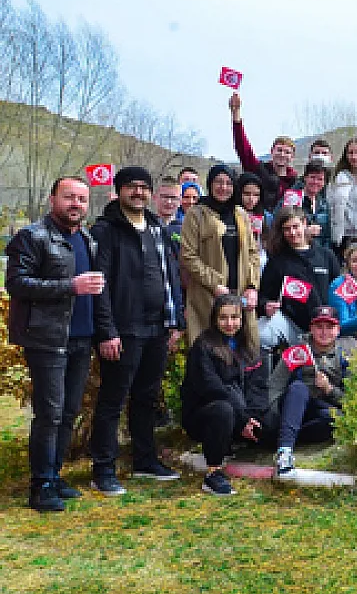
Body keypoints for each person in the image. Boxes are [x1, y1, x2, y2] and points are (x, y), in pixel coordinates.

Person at [6, 176, 104, 511]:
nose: (76, 204)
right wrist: (70, 286)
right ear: (52, 200)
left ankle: (55, 474)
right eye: (69, 197)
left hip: (81, 337)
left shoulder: (88, 239)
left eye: (82, 199)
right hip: (46, 338)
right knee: (49, 413)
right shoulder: (32, 236)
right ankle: (40, 485)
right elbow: (17, 284)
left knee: (68, 411)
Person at [89, 166, 186, 495]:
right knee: (112, 400)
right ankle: (103, 469)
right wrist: (106, 331)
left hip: (157, 327)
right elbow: (99, 287)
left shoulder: (157, 228)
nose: (139, 193)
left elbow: (170, 276)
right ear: (118, 191)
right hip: (123, 330)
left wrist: (175, 322)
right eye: (131, 187)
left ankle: (145, 460)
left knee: (147, 397)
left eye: (144, 187)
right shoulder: (106, 231)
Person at [180, 294, 266, 497]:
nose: (229, 323)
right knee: (223, 410)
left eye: (234, 317)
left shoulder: (248, 347)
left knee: (268, 423)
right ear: (215, 319)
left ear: (242, 319)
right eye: (223, 318)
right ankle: (213, 473)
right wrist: (242, 417)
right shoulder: (203, 346)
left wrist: (253, 417)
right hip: (206, 414)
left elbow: (258, 386)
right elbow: (212, 389)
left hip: (239, 413)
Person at [268, 305, 357, 479]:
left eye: (329, 327)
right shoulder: (297, 351)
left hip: (320, 412)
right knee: (298, 388)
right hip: (294, 406)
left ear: (338, 330)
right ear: (311, 328)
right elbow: (275, 385)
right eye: (319, 326)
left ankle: (288, 434)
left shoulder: (346, 356)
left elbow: (352, 402)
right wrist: (275, 416)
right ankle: (285, 452)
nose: (324, 332)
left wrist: (329, 389)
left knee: (334, 418)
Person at [181, 165, 262, 351]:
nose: (223, 187)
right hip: (208, 295)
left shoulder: (240, 214)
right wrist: (214, 284)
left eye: (228, 183)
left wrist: (252, 287)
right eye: (218, 182)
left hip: (240, 295)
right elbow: (189, 256)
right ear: (209, 184)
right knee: (210, 351)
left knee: (246, 351)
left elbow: (253, 253)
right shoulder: (196, 214)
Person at [259, 206, 344, 352]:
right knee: (262, 333)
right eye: (286, 229)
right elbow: (264, 296)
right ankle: (271, 368)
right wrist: (266, 306)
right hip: (292, 324)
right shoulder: (277, 261)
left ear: (305, 224)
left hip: (325, 324)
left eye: (295, 226)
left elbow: (339, 291)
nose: (292, 233)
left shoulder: (326, 255)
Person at [229, 92, 298, 211]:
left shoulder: (296, 182)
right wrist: (236, 114)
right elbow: (243, 148)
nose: (282, 154)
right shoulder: (258, 170)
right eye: (279, 150)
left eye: (287, 152)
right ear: (272, 152)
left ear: (292, 157)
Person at [289, 159, 332, 252]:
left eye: (320, 179)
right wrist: (304, 231)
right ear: (305, 177)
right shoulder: (291, 199)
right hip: (295, 253)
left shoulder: (324, 204)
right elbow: (280, 227)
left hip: (318, 254)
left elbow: (327, 236)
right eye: (312, 177)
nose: (315, 182)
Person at [234, 172, 270, 268]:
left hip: (260, 265)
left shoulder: (266, 216)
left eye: (256, 195)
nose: (251, 199)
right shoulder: (230, 213)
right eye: (246, 194)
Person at [153, 178, 183, 253]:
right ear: (154, 197)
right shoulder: (145, 228)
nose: (169, 202)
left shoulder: (187, 230)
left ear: (180, 201)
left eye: (173, 198)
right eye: (164, 197)